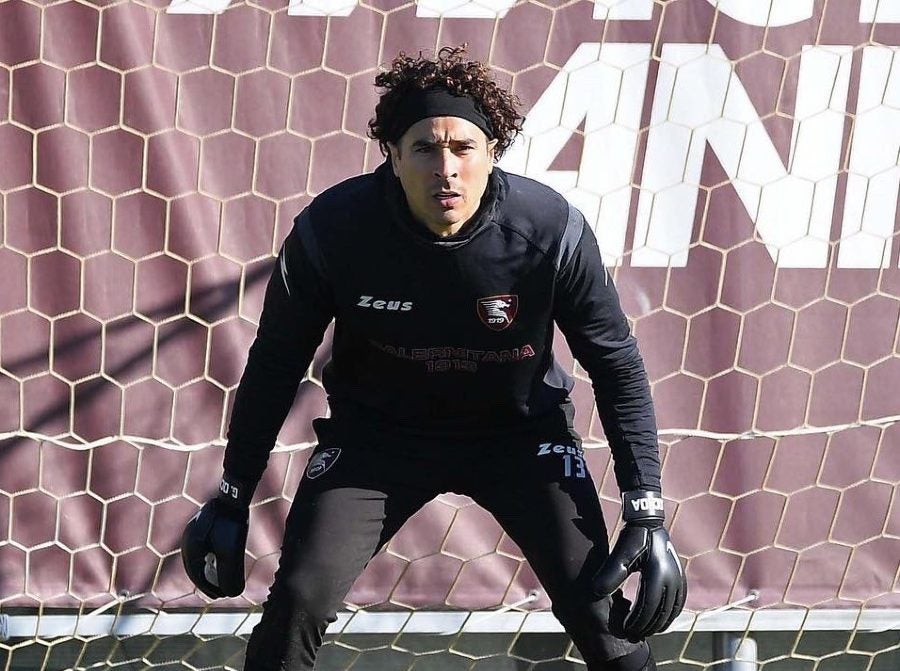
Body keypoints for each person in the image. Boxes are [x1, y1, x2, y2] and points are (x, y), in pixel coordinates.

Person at [181, 46, 686, 671]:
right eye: (424, 148)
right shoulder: (334, 231)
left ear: (493, 152)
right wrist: (232, 494)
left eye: (463, 148)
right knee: (298, 600)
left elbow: (617, 369)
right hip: (377, 443)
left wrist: (647, 509)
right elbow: (275, 365)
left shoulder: (550, 231)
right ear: (392, 158)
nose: (445, 169)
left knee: (600, 613)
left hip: (519, 438)